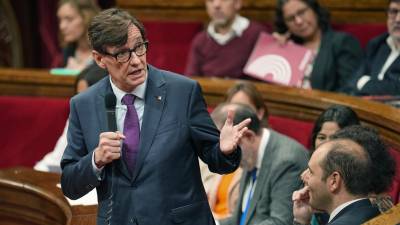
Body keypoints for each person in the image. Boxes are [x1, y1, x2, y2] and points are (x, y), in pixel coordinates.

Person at [60, 8, 251, 225]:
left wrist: (225, 150)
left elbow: (217, 160)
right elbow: (70, 184)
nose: (136, 61)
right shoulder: (83, 105)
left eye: (139, 47)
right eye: (122, 54)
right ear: (99, 59)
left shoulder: (183, 92)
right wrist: (96, 159)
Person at [216, 103, 309, 225]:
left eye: (228, 147)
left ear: (249, 136)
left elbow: (280, 222)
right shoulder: (249, 154)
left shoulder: (287, 161)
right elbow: (239, 220)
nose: (225, 154)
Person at [292, 125, 396, 225]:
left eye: (311, 171)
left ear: (334, 181)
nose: (304, 176)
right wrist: (302, 221)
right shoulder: (376, 211)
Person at [200, 82, 268, 219]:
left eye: (244, 109)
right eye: (232, 110)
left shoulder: (259, 154)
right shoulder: (216, 146)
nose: (237, 117)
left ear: (259, 114)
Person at [273, 0, 363, 92]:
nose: (298, 21)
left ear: (314, 10)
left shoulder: (342, 42)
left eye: (302, 12)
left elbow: (349, 90)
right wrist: (278, 50)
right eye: (290, 19)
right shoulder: (290, 46)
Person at [34, 64, 107, 173]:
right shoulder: (78, 116)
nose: (81, 104)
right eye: (78, 96)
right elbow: (55, 160)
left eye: (86, 97)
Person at [185, 0, 265, 78]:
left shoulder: (257, 34)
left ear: (237, 3)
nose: (216, 5)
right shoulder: (200, 40)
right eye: (210, 0)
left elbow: (264, 81)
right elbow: (191, 80)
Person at [350, 0, 400, 96]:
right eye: (394, 11)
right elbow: (353, 82)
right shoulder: (377, 44)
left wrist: (364, 83)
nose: (398, 19)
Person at [57, 0, 100, 70]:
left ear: (87, 18)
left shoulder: (105, 51)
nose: (62, 26)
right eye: (60, 20)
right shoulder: (68, 50)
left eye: (69, 19)